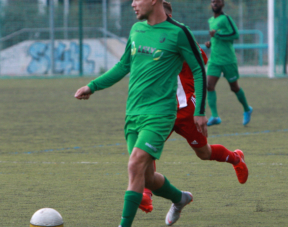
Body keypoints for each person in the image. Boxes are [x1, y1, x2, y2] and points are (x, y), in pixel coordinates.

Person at [74, 0, 207, 225]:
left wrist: (200, 110)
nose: (133, 4)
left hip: (160, 115)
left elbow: (199, 69)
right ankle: (180, 198)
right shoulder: (136, 29)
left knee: (134, 164)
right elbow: (123, 65)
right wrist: (92, 86)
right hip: (133, 114)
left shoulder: (179, 32)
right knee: (145, 177)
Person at [138, 1, 249, 215]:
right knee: (146, 151)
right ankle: (145, 193)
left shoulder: (181, 36)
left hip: (186, 110)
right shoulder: (148, 38)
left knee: (204, 153)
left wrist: (200, 110)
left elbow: (201, 64)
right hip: (162, 111)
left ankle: (236, 158)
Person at [205, 0, 252, 126]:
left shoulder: (226, 19)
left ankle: (247, 109)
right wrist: (210, 43)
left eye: (218, 2)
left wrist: (218, 35)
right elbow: (214, 37)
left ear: (222, 4)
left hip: (228, 60)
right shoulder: (211, 21)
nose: (215, 4)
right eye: (213, 2)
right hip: (214, 59)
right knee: (209, 86)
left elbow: (235, 34)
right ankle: (215, 116)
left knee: (234, 87)